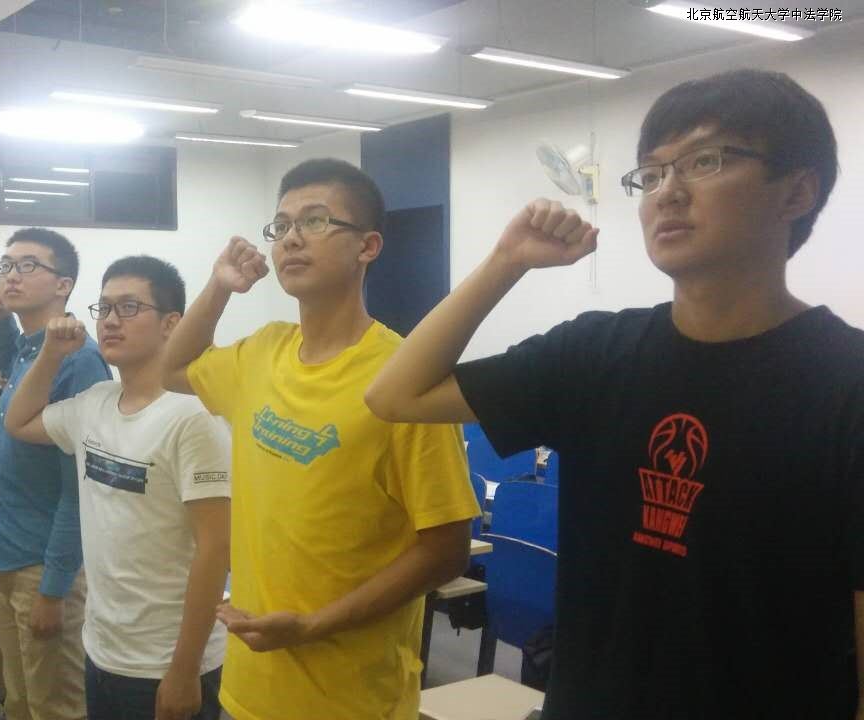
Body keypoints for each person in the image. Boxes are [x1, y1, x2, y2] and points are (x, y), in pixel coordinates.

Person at [364, 69, 862, 719]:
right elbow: (395, 395)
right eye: (651, 174)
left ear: (797, 191)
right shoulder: (595, 354)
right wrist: (506, 262)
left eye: (705, 161)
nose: (668, 192)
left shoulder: (846, 383)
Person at [162, 159, 481, 720]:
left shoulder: (402, 381)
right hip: (248, 689)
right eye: (281, 225)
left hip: (352, 700)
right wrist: (220, 287)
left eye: (314, 221)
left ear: (368, 246)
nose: (291, 238)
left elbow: (446, 550)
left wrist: (312, 626)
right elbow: (173, 368)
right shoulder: (263, 351)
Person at [4, 256, 231, 720]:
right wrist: (51, 355)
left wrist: (184, 669)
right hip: (103, 648)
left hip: (168, 659)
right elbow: (18, 422)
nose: (110, 320)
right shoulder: (96, 402)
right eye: (104, 307)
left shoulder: (194, 417)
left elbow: (216, 548)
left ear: (171, 323)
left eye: (129, 307)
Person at [0, 228, 110, 720]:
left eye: (28, 265)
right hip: (4, 552)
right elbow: (5, 356)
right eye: (6, 265)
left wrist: (54, 587)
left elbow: (80, 486)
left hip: (43, 563)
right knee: (19, 700)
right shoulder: (29, 348)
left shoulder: (77, 358)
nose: (11, 276)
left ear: (64, 285)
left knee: (55, 707)